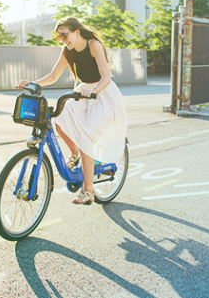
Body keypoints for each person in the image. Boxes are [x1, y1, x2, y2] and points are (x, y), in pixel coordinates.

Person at [17, 16, 128, 205]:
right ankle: (75, 153)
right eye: (59, 37)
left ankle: (89, 191)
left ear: (77, 32)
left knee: (86, 137)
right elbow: (53, 75)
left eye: (64, 35)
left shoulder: (93, 45)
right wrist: (33, 82)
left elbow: (106, 77)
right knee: (59, 119)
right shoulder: (68, 51)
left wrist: (95, 90)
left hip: (103, 94)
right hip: (84, 93)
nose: (62, 39)